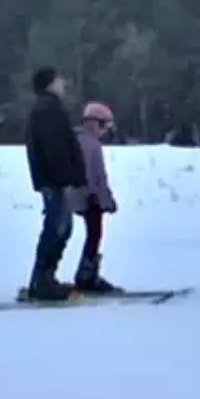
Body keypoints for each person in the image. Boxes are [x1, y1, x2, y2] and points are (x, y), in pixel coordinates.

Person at [24, 67, 86, 300]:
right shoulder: (49, 110)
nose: (64, 83)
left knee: (61, 228)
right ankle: (42, 281)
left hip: (53, 179)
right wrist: (66, 176)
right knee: (56, 228)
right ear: (50, 83)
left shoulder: (49, 108)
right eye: (59, 79)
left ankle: (45, 278)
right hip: (54, 180)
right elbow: (54, 147)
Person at [69, 101, 121, 294]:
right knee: (94, 235)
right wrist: (104, 199)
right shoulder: (90, 144)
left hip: (84, 195)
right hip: (90, 197)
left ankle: (87, 273)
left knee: (93, 235)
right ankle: (86, 276)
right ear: (96, 123)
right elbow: (96, 176)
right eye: (105, 125)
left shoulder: (81, 140)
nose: (106, 130)